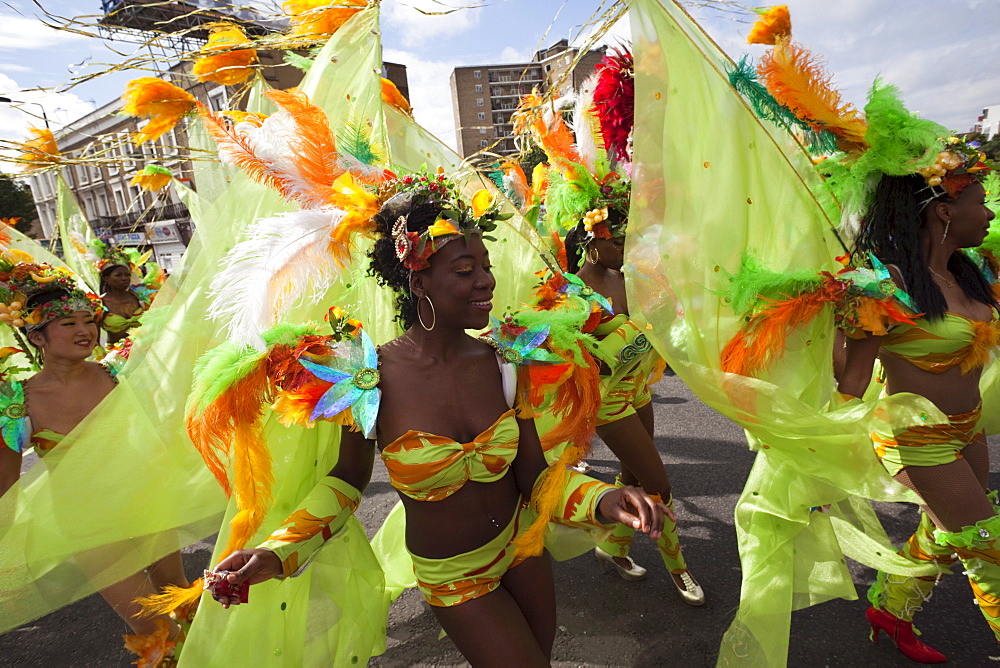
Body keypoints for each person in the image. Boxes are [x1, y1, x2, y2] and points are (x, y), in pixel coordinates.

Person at [162, 163, 672, 663]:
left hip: (522, 550)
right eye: (465, 271)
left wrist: (605, 499)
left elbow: (537, 479)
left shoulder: (507, 361)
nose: (487, 283)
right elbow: (345, 483)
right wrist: (278, 550)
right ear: (418, 282)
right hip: (454, 576)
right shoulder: (369, 378)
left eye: (487, 268)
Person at [838, 167, 998, 661]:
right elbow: (853, 380)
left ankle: (890, 609)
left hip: (966, 427)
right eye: (981, 201)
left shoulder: (972, 272)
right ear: (946, 212)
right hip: (913, 435)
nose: (991, 211)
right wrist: (821, 460)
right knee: (987, 545)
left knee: (945, 531)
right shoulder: (887, 282)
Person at [0, 254, 190, 663]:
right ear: (38, 338)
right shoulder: (16, 401)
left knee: (179, 592)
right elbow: (6, 486)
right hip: (88, 525)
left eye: (89, 321)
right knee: (151, 626)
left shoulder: (118, 373)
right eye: (69, 324)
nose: (85, 331)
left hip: (146, 501)